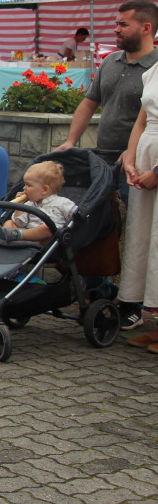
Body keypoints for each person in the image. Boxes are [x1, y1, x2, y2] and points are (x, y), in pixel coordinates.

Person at [56, 0, 158, 331]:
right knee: (96, 227)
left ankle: (136, 302)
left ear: (146, 28)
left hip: (139, 164)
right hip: (102, 159)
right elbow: (89, 103)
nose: (115, 29)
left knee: (137, 235)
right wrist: (72, 141)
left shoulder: (155, 68)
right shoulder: (111, 61)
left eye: (122, 24)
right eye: (115, 23)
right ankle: (101, 294)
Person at [121, 62, 158, 351]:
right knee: (144, 240)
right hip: (145, 157)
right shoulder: (154, 70)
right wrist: (131, 159)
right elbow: (141, 120)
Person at [0, 161, 76, 244]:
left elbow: (77, 214)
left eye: (28, 185)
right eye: (24, 184)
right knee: (10, 222)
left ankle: (13, 235)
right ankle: (5, 236)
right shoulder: (30, 204)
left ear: (44, 190)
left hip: (43, 241)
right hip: (25, 235)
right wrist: (19, 206)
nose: (24, 188)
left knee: (48, 228)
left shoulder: (62, 203)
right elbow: (20, 223)